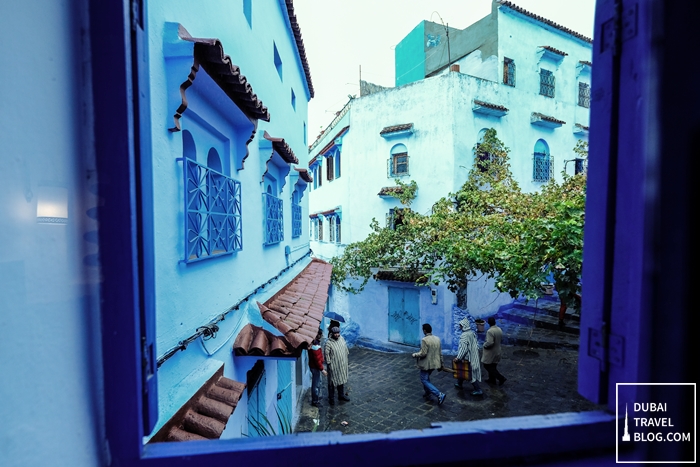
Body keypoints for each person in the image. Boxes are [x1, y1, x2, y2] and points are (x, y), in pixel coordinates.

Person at [411, 323, 446, 405]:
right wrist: (442, 363)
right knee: (426, 379)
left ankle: (439, 394)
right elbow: (440, 353)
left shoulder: (424, 340)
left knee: (424, 379)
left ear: (424, 331)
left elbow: (423, 353)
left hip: (426, 364)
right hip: (435, 364)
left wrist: (415, 355)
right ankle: (428, 393)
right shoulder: (437, 339)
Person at [454, 317, 483, 396]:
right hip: (474, 355)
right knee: (463, 370)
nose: (459, 326)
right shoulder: (471, 332)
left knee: (469, 372)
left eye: (460, 325)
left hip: (468, 357)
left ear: (463, 326)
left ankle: (478, 389)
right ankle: (459, 383)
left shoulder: (464, 335)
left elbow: (463, 348)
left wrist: (458, 357)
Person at [323, 326, 350, 405]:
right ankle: (331, 398)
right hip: (333, 366)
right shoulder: (329, 343)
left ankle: (341, 395)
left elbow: (345, 348)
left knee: (341, 380)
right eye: (335, 333)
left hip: (341, 365)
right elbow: (326, 354)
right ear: (332, 334)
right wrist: (329, 363)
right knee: (331, 383)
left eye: (338, 333)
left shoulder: (341, 339)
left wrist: (346, 358)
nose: (337, 334)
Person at [481, 317, 506, 385]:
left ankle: (501, 378)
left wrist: (484, 345)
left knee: (487, 365)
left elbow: (490, 342)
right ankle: (492, 380)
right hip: (498, 350)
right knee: (493, 366)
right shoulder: (499, 329)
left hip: (491, 352)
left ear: (489, 323)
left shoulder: (490, 331)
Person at [307, 330, 327, 407]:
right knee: (316, 384)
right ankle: (315, 400)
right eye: (320, 335)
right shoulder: (315, 346)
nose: (321, 336)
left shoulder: (314, 343)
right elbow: (317, 360)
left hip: (314, 366)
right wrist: (322, 369)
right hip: (315, 367)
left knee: (318, 382)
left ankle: (317, 398)